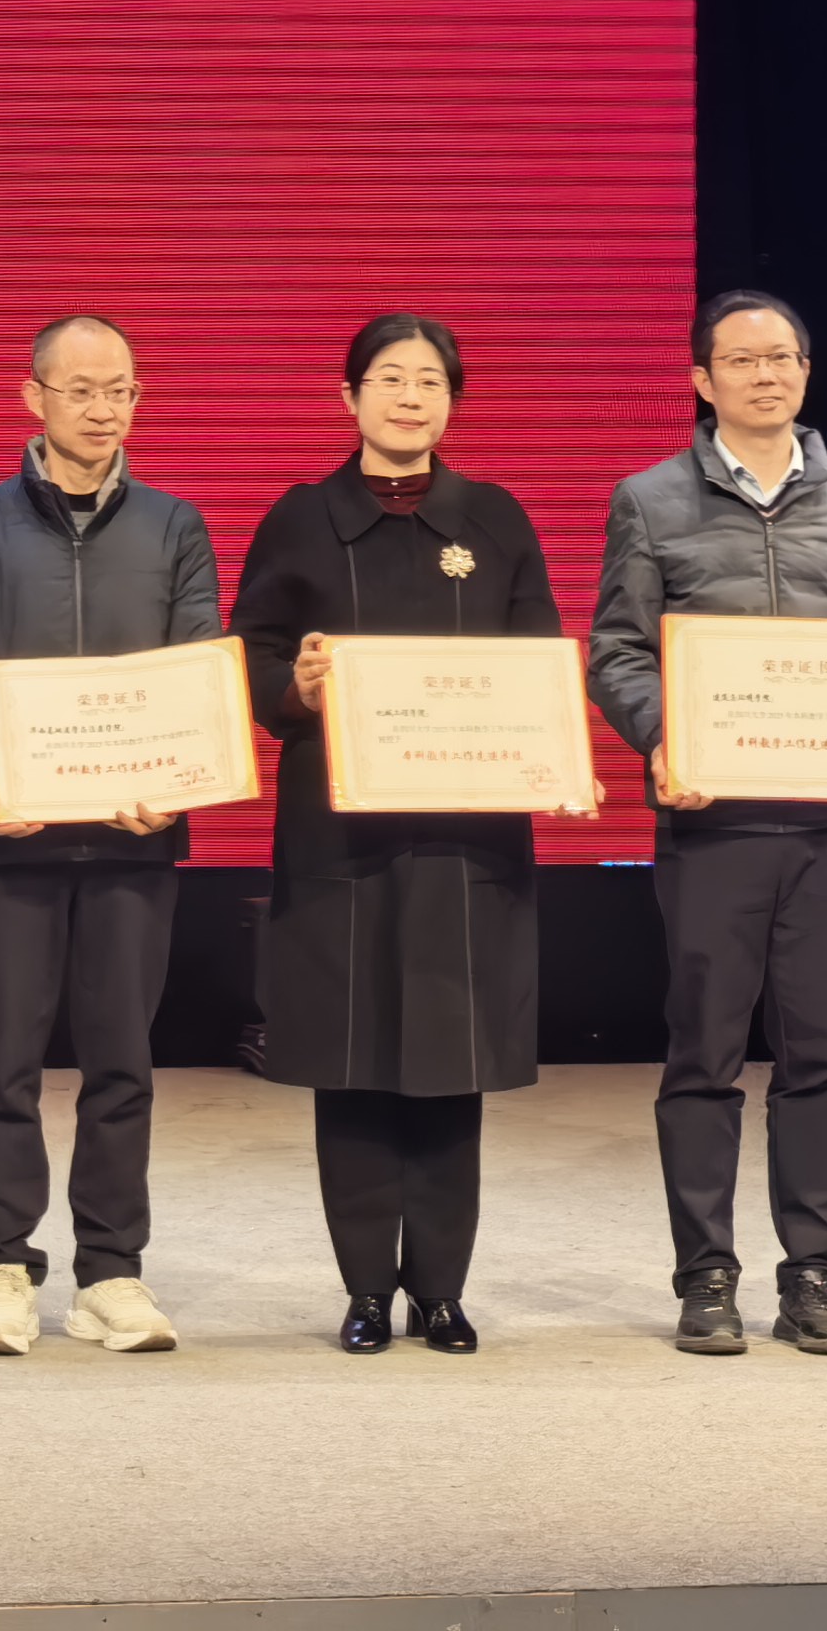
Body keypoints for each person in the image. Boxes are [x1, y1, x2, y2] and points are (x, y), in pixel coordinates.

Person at [586, 289, 827, 1360]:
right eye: (741, 359)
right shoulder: (649, 499)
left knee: (820, 1057)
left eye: (782, 358)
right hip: (712, 827)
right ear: (702, 380)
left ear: (805, 373)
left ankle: (812, 1274)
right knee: (704, 1057)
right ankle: (706, 1275)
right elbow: (617, 651)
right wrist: (662, 739)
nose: (765, 375)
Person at [233, 314, 562, 1355]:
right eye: (388, 378)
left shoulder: (495, 519)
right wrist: (295, 687)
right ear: (349, 397)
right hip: (341, 842)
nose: (410, 397)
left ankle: (444, 1291)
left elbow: (539, 666)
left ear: (452, 401)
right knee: (354, 1060)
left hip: (468, 842)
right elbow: (249, 656)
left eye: (429, 381)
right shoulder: (301, 519)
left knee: (452, 1063)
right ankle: (368, 1290)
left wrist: (554, 760)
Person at [0, 313, 220, 1359]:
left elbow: (197, 671)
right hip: (10, 835)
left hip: (136, 840)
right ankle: (2, 1266)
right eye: (81, 390)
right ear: (33, 396)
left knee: (122, 1064)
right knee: (4, 1064)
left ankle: (111, 1271)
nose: (102, 409)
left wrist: (179, 783)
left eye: (120, 390)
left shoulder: (174, 524)